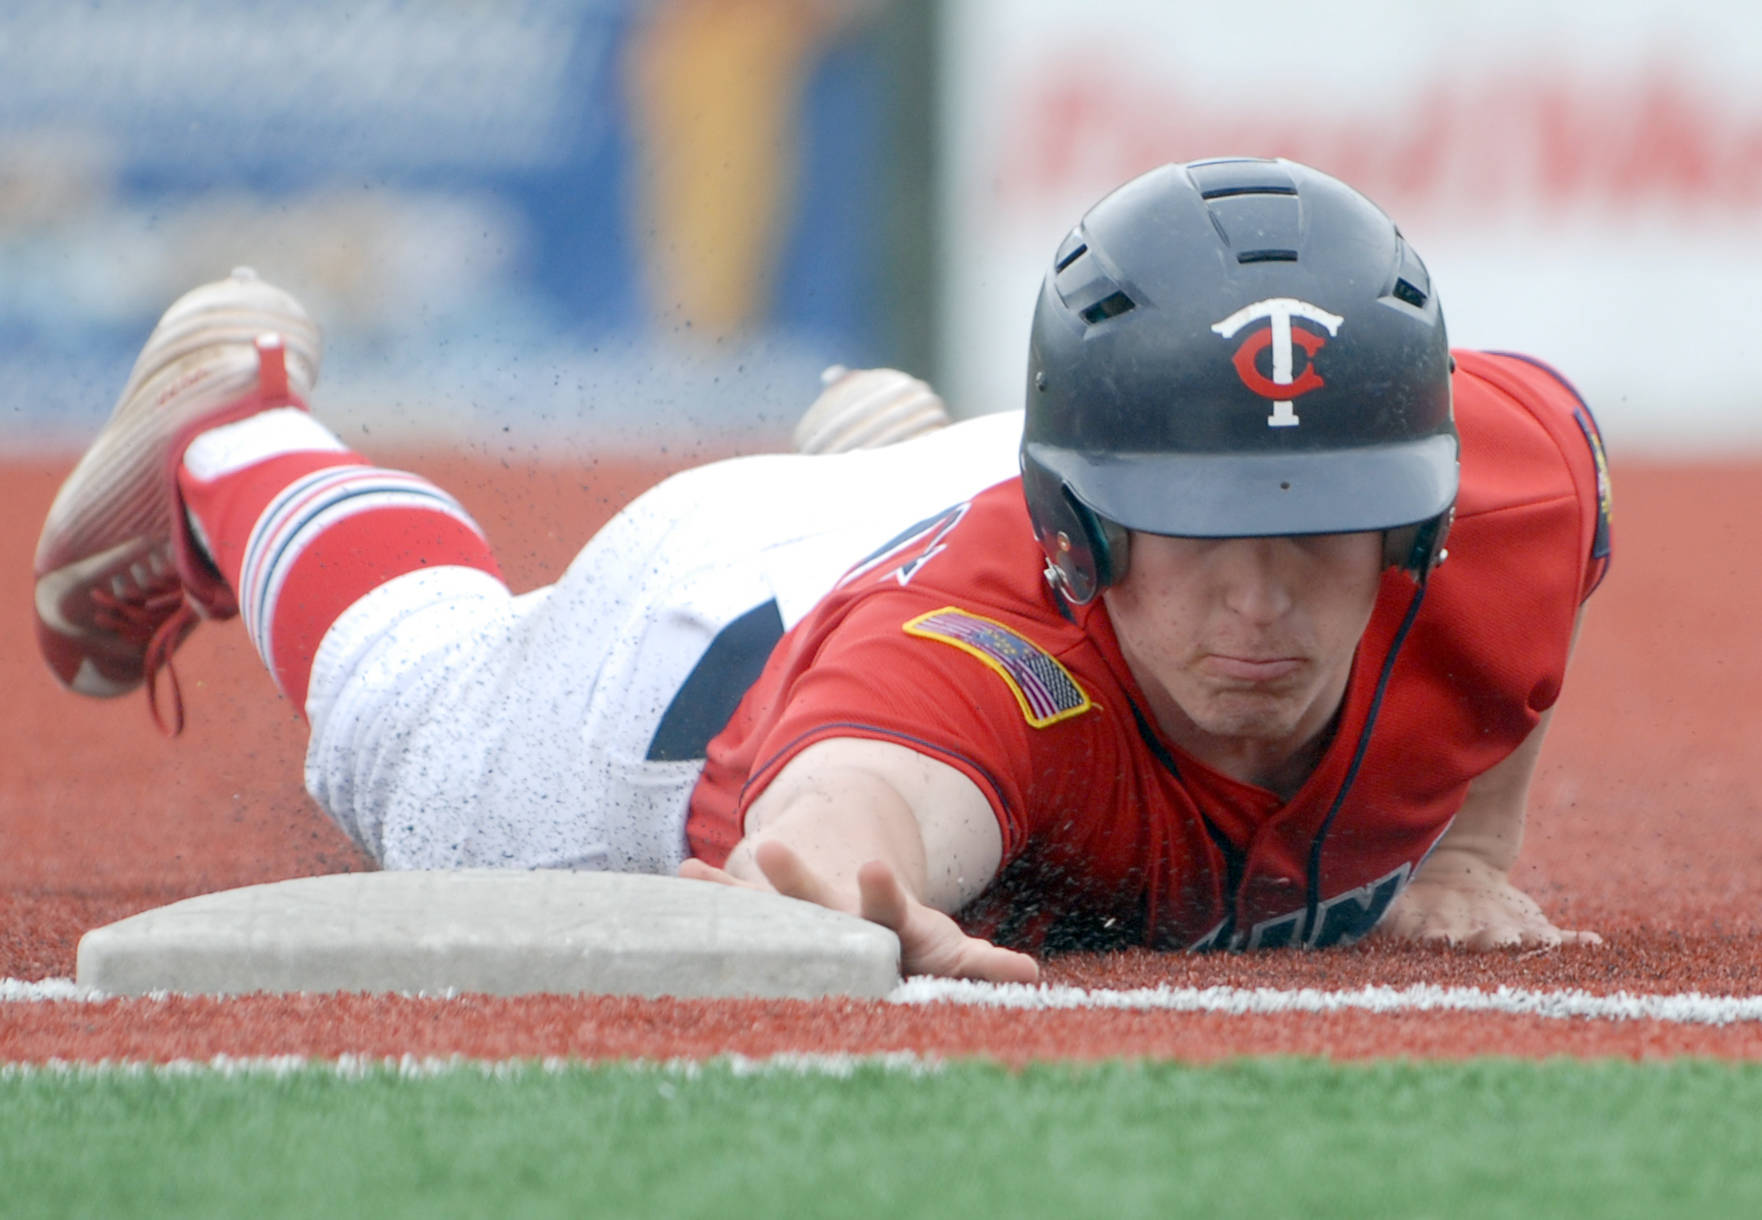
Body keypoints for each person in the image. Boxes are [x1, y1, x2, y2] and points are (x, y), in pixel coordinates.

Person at [33, 157, 1612, 983]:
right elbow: (857, 793)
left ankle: (877, 472)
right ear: (1082, 527)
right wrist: (830, 882)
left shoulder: (1487, 489)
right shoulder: (985, 668)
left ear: (1413, 521)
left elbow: (1566, 478)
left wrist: (1472, 846)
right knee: (409, 731)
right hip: (701, 650)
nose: (1260, 608)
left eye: (1314, 533)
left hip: (975, 493)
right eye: (1203, 541)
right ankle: (234, 439)